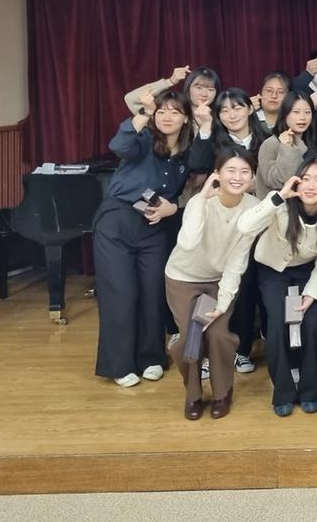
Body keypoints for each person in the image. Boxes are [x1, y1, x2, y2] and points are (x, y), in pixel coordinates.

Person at [93, 87, 191, 388]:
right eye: (161, 111)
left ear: (186, 118)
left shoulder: (186, 154)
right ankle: (120, 364)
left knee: (153, 293)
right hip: (117, 222)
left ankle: (151, 358)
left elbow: (189, 191)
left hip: (154, 226)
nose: (167, 116)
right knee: (120, 294)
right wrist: (145, 112)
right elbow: (119, 145)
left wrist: (172, 207)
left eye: (175, 111)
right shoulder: (144, 140)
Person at [236, 155, 317, 415]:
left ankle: (309, 389)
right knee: (276, 324)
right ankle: (282, 391)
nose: (311, 185)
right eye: (305, 178)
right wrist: (279, 196)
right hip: (272, 271)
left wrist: (312, 293)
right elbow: (245, 226)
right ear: (296, 182)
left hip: (306, 273)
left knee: (312, 323)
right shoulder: (280, 206)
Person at [164, 146, 259, 420]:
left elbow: (237, 261)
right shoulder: (200, 202)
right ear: (217, 173)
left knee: (217, 335)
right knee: (190, 338)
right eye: (231, 170)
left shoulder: (253, 208)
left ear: (253, 177)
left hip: (218, 280)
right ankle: (193, 394)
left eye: (245, 172)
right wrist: (202, 198)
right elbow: (188, 243)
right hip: (183, 278)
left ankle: (222, 392)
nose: (237, 177)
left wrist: (223, 301)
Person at [255, 91, 317, 198]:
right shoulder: (271, 144)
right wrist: (288, 149)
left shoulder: (313, 142)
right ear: (285, 114)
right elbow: (277, 181)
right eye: (296, 112)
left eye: (307, 112)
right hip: (278, 205)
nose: (302, 117)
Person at [187, 87, 263, 173]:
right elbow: (197, 165)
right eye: (225, 111)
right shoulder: (214, 144)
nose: (232, 116)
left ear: (250, 109)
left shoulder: (266, 141)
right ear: (218, 116)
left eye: (237, 109)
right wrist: (206, 124)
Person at [251, 71, 291, 140]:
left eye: (280, 92)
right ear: (260, 94)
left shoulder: (292, 121)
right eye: (269, 91)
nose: (274, 96)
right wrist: (246, 110)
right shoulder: (249, 118)